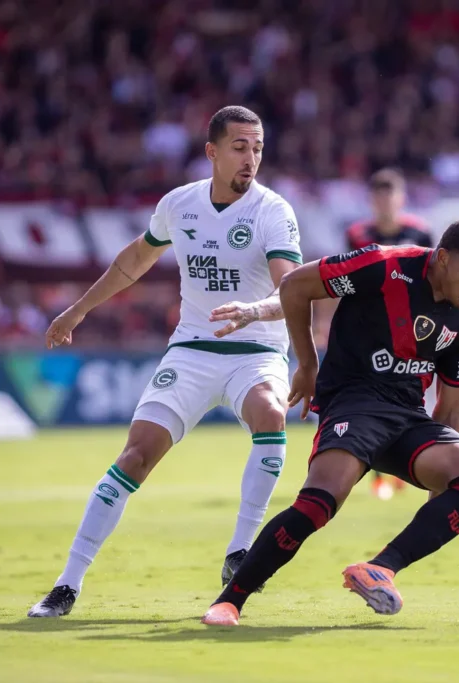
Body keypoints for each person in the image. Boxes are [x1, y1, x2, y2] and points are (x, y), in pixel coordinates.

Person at [27, 106, 302, 617]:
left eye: (258, 148)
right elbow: (134, 260)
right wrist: (78, 310)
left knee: (270, 412)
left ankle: (240, 551)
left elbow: (290, 289)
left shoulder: (273, 211)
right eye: (240, 147)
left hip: (257, 348)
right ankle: (67, 584)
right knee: (135, 457)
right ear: (212, 152)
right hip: (193, 349)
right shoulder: (179, 205)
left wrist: (252, 311)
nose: (251, 158)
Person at [201, 219, 459, 626]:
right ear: (444, 258)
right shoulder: (383, 266)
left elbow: (450, 409)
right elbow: (294, 286)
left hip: (407, 417)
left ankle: (380, 569)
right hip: (353, 404)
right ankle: (229, 602)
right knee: (318, 505)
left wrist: (441, 493)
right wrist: (308, 365)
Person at [346, 168, 435, 500]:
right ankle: (379, 475)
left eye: (390, 195)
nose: (385, 202)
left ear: (401, 199)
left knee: (408, 396)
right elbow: (347, 279)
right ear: (372, 200)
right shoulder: (357, 234)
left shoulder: (420, 232)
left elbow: (432, 278)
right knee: (371, 398)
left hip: (411, 329)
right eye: (379, 195)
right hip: (370, 329)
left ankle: (406, 464)